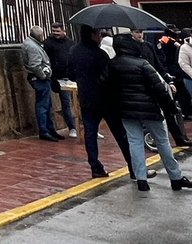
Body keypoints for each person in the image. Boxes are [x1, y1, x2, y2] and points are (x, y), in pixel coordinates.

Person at [107, 34, 192, 192]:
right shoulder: (142, 64)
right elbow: (159, 88)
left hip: (125, 110)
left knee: (135, 142)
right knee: (162, 141)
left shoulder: (111, 65)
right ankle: (175, 177)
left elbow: (105, 86)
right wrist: (170, 107)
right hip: (149, 109)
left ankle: (141, 179)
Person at [70, 25, 135, 179]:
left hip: (86, 99)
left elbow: (70, 73)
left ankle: (95, 166)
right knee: (120, 134)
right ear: (92, 34)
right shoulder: (99, 54)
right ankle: (133, 166)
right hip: (105, 99)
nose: (100, 36)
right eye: (98, 33)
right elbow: (109, 77)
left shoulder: (73, 51)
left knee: (90, 133)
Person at [131, 28, 191, 147]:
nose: (140, 34)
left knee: (169, 110)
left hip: (156, 82)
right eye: (137, 32)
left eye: (141, 32)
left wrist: (168, 80)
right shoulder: (131, 48)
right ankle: (151, 138)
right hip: (143, 86)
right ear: (132, 33)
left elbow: (158, 63)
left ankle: (179, 138)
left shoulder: (148, 45)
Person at [22, 25, 62, 141]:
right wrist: (43, 75)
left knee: (47, 104)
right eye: (42, 35)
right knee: (43, 105)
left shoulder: (32, 44)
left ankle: (49, 129)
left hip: (40, 78)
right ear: (39, 35)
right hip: (40, 79)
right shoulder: (32, 47)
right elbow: (35, 65)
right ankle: (44, 131)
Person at [44, 23, 78, 137]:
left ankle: (84, 126)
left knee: (80, 102)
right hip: (59, 78)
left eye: (57, 31)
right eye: (53, 31)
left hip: (73, 76)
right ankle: (72, 127)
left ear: (64, 31)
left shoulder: (71, 43)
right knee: (66, 103)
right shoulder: (48, 43)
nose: (55, 33)